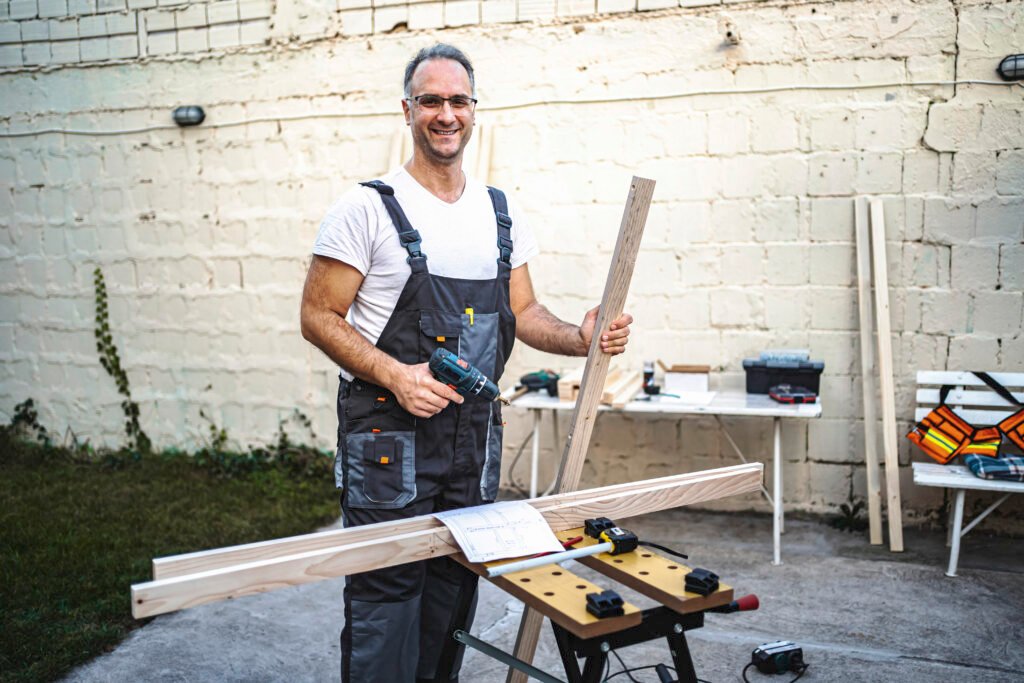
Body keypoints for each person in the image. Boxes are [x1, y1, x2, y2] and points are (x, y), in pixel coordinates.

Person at [300, 43, 632, 683]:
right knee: (387, 595)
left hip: (470, 439)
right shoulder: (365, 209)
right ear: (408, 110)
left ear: (474, 111)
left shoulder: (498, 213)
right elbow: (318, 317)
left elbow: (525, 312)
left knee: (454, 589)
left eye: (457, 100)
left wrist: (580, 336)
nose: (445, 114)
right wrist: (396, 375)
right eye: (431, 101)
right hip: (389, 438)